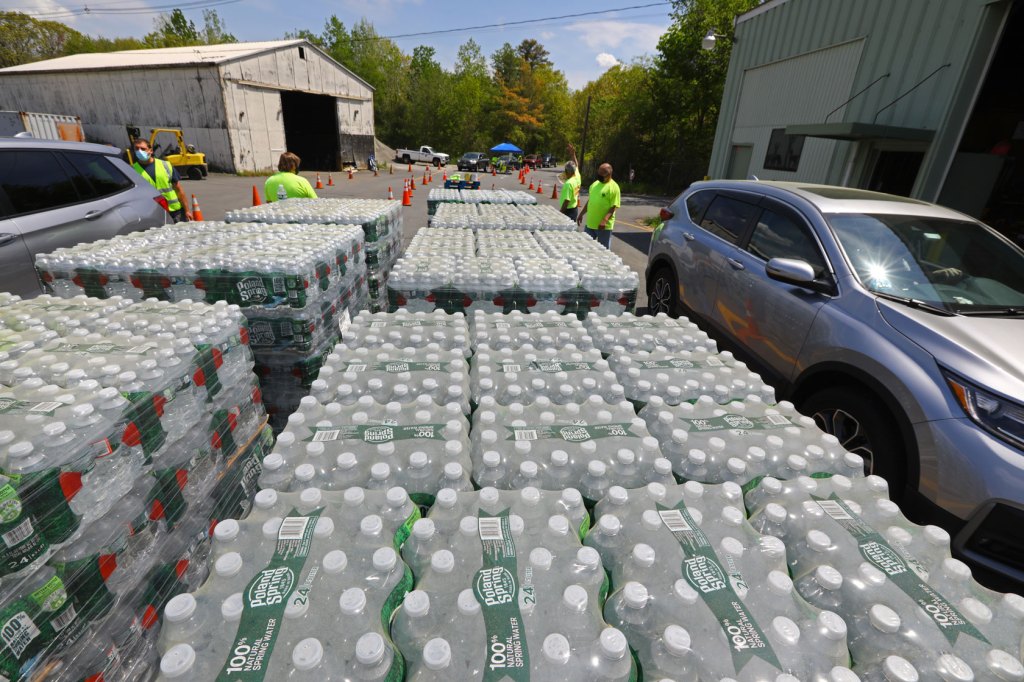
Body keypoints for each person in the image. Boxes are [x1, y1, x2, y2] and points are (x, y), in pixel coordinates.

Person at [131, 138, 191, 222]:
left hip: (175, 211)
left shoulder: (165, 165)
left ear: (150, 151)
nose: (139, 151)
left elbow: (179, 189)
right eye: (136, 149)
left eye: (143, 149)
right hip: (153, 214)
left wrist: (187, 210)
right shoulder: (132, 170)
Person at [577, 162, 620, 249]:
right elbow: (590, 201)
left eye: (602, 174)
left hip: (604, 227)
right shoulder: (595, 184)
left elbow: (614, 206)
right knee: (585, 249)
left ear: (609, 174)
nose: (599, 176)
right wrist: (581, 214)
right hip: (590, 224)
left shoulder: (614, 187)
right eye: (598, 173)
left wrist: (604, 220)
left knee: (603, 250)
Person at [559, 143, 582, 221]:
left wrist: (560, 213)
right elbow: (576, 165)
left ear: (568, 172)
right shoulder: (577, 176)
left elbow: (566, 201)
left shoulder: (569, 183)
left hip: (567, 211)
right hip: (574, 209)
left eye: (565, 171)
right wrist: (573, 154)